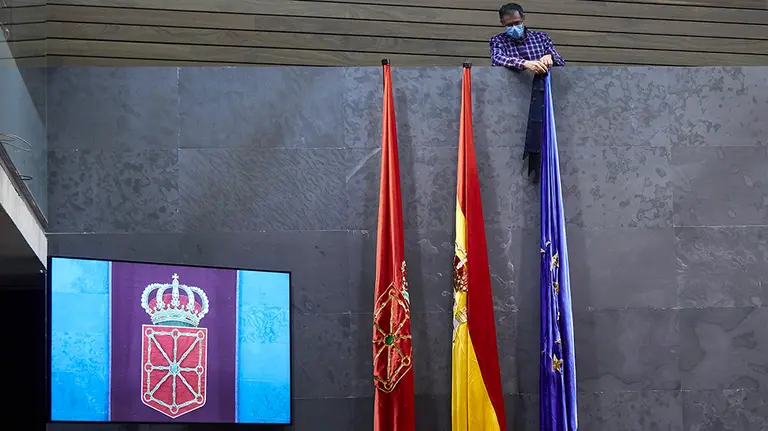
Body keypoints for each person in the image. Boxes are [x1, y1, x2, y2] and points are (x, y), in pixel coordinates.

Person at [490, 3, 565, 182]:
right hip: (514, 102)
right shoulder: (498, 41)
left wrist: (549, 57)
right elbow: (497, 59)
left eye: (516, 23)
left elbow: (560, 60)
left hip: (543, 99)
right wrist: (525, 64)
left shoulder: (541, 37)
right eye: (509, 25)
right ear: (502, 23)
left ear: (523, 18)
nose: (514, 28)